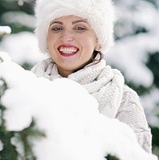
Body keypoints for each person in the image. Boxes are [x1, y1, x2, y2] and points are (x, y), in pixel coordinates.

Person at [31, 0, 153, 153]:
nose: (66, 37)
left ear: (98, 41)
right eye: (56, 28)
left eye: (80, 28)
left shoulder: (123, 100)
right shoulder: (23, 89)